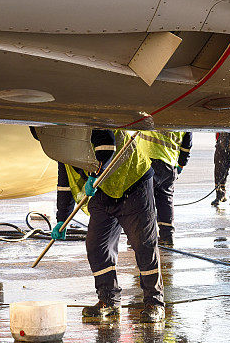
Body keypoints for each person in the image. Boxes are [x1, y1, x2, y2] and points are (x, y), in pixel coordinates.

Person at [51, 128, 165, 322]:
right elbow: (65, 180)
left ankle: (154, 303)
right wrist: (62, 217)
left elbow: (107, 145)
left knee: (143, 245)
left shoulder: (83, 121)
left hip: (132, 181)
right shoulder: (60, 141)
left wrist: (97, 173)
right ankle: (108, 301)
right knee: (97, 246)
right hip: (102, 190)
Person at [137, 130, 192, 246]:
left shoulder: (153, 113)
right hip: (169, 164)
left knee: (144, 200)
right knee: (165, 201)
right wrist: (181, 165)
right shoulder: (184, 118)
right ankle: (167, 236)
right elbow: (186, 146)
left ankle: (142, 236)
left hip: (147, 160)